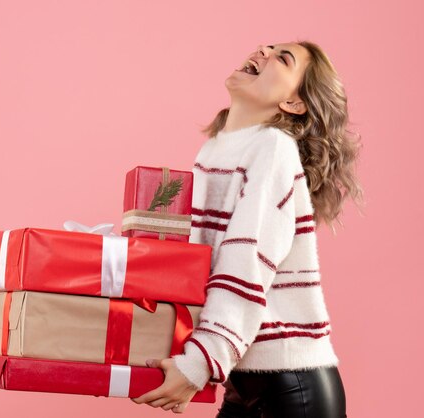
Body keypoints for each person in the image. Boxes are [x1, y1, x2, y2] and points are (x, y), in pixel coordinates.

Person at [131, 40, 364, 417]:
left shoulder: (272, 147)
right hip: (245, 377)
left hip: (293, 383)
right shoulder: (215, 151)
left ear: (293, 103)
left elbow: (246, 264)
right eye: (266, 47)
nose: (262, 53)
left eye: (281, 59)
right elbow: (201, 262)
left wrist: (199, 364)